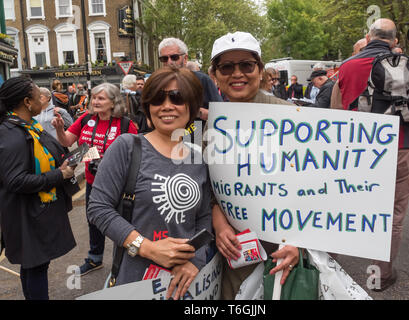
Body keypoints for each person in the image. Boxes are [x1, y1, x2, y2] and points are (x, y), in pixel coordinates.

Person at [87, 67, 212, 299]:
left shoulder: (198, 159)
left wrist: (195, 260)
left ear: (192, 106)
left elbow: (203, 217)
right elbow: (98, 208)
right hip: (135, 283)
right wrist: (148, 248)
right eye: (157, 99)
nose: (166, 106)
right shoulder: (127, 147)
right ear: (148, 106)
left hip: (186, 286)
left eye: (177, 98)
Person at [330, 18, 409, 291]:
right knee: (394, 214)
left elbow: (336, 110)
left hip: (356, 149)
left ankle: (330, 266)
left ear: (367, 36)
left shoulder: (348, 66)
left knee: (345, 205)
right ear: (395, 41)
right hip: (400, 145)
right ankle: (379, 276)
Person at [209, 31, 299, 299]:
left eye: (246, 65)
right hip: (236, 253)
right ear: (215, 75)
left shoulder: (293, 118)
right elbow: (207, 188)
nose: (237, 74)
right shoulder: (206, 126)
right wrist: (220, 225)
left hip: (285, 252)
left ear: (260, 71)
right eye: (227, 67)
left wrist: (299, 243)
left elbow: (316, 189)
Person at [0, 77, 76, 299]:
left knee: (34, 266)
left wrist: (66, 162)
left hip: (37, 211)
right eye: (37, 95)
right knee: (35, 267)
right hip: (27, 215)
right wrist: (58, 175)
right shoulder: (11, 134)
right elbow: (15, 180)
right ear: (26, 101)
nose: (43, 100)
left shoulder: (27, 126)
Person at [52, 83, 138, 276]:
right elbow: (67, 141)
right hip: (93, 182)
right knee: (94, 220)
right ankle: (95, 258)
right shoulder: (86, 119)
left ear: (113, 102)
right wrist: (59, 129)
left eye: (101, 98)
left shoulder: (124, 124)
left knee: (122, 222)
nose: (96, 101)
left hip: (119, 184)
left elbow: (136, 154)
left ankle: (124, 259)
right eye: (94, 98)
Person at [158, 37, 223, 122]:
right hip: (167, 132)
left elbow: (221, 115)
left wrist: (196, 112)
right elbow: (148, 120)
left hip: (196, 129)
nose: (169, 62)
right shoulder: (157, 84)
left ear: (185, 59)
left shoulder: (202, 80)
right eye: (164, 59)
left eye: (174, 57)